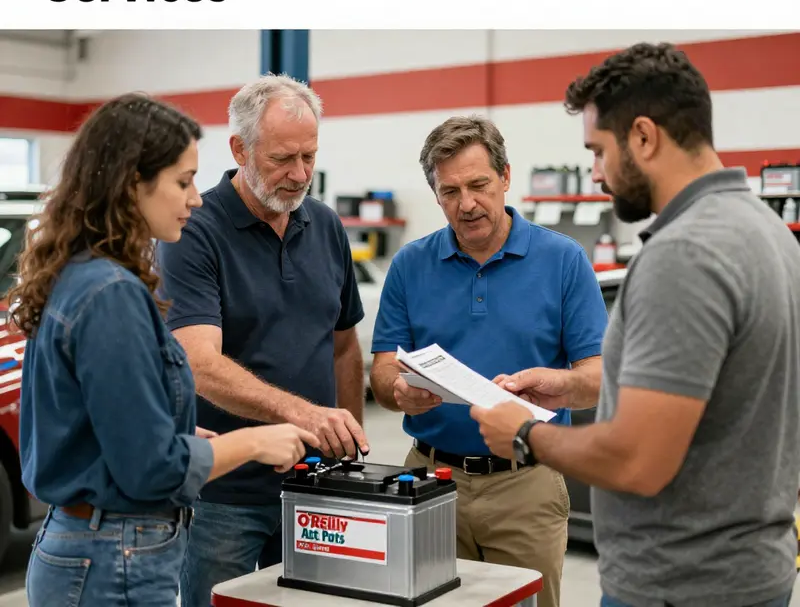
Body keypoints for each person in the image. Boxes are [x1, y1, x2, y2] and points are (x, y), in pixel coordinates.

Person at [472, 42, 800, 607]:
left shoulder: (684, 254)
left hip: (679, 585)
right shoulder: (767, 232)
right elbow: (715, 387)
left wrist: (524, 435)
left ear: (644, 137)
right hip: (753, 573)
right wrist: (568, 386)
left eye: (599, 150)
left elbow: (638, 461)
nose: (596, 172)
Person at [9, 94, 318, 607]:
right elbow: (152, 469)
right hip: (113, 553)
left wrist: (172, 430)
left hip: (88, 546)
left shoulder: (81, 276)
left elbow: (100, 425)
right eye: (183, 181)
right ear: (133, 183)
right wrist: (255, 442)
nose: (195, 199)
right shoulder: (111, 294)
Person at [369, 115, 608, 607]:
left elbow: (599, 378)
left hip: (527, 483)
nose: (467, 204)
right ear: (436, 195)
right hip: (430, 482)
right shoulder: (410, 265)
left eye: (478, 185)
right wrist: (398, 391)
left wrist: (559, 384)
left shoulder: (563, 261)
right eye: (450, 191)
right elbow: (383, 369)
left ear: (505, 177)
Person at [156, 74, 370, 607]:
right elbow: (199, 363)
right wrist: (303, 413)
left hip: (314, 486)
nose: (299, 175)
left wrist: (351, 453)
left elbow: (344, 346)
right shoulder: (193, 230)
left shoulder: (325, 226)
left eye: (309, 156)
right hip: (222, 495)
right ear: (239, 149)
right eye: (282, 159)